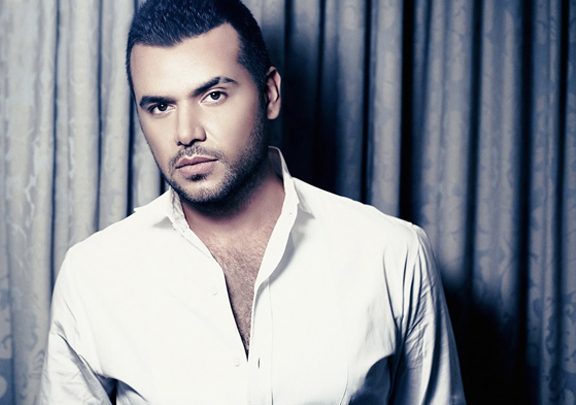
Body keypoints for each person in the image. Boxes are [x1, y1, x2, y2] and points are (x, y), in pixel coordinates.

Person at [39, 0, 465, 403]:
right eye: (160, 106)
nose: (186, 133)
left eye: (213, 95)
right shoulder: (93, 275)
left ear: (270, 94)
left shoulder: (392, 255)